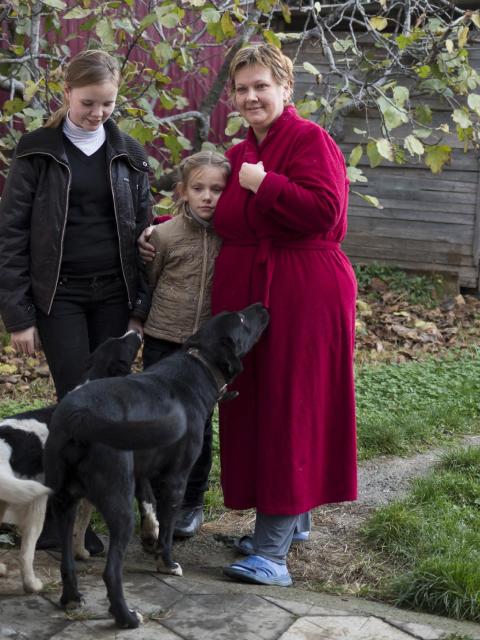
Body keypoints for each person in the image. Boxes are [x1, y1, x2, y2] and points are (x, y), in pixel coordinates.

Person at [141, 43, 357, 586]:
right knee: (254, 409)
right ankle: (292, 518)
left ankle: (272, 553)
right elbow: (212, 207)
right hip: (249, 302)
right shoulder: (238, 154)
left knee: (289, 409)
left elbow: (326, 212)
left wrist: (267, 184)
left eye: (262, 85)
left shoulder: (312, 141)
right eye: (241, 88)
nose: (251, 96)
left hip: (302, 294)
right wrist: (162, 228)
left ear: (286, 88)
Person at [0, 49, 153, 553]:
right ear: (66, 95)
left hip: (114, 296)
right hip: (59, 299)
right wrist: (19, 315)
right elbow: (11, 233)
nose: (98, 113)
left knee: (111, 408)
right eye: (88, 103)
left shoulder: (129, 152)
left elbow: (146, 238)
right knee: (76, 404)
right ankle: (62, 521)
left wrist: (139, 309)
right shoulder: (38, 150)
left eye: (107, 103)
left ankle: (100, 513)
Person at [141, 150, 230, 538]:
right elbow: (150, 280)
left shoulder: (232, 238)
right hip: (162, 339)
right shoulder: (162, 236)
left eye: (217, 189)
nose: (208, 197)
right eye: (199, 188)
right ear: (182, 191)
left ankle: (190, 502)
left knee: (197, 428)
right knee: (157, 422)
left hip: (204, 353)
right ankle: (155, 502)